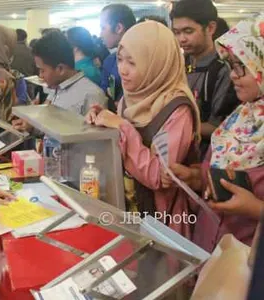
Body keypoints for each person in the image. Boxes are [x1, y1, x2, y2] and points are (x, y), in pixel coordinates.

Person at [86, 21, 201, 239]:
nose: (122, 69)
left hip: (163, 219)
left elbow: (159, 176)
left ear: (157, 64)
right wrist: (101, 118)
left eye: (132, 62)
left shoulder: (177, 110)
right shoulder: (131, 98)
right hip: (129, 207)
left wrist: (121, 126)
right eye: (120, 59)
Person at [162, 15, 264, 252]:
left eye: (243, 67)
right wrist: (193, 177)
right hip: (212, 244)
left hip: (249, 257)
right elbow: (217, 172)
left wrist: (255, 209)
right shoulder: (242, 115)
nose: (233, 75)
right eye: (231, 65)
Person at [171, 0, 240, 157]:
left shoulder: (224, 69)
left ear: (210, 28)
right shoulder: (179, 64)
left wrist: (176, 127)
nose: (181, 39)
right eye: (176, 32)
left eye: (188, 31)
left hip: (206, 160)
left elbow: (219, 127)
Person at [13, 31, 108, 133]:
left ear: (60, 69)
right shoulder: (56, 88)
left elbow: (95, 140)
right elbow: (49, 125)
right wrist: (31, 126)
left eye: (42, 70)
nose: (40, 75)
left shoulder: (92, 95)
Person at [99, 4, 136, 110]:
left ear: (118, 28)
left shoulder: (147, 60)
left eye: (103, 28)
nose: (100, 34)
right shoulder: (109, 61)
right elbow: (104, 94)